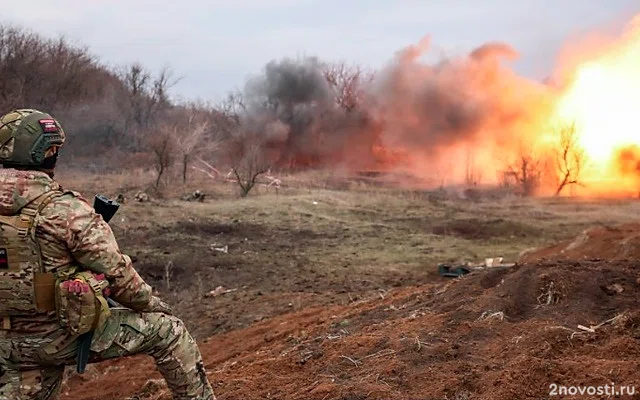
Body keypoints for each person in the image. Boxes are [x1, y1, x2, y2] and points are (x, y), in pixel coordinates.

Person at [0, 109, 215, 400]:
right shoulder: (66, 210)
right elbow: (119, 277)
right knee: (169, 331)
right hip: (55, 339)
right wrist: (155, 305)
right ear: (47, 152)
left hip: (6, 345)